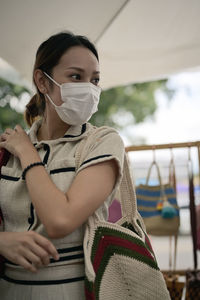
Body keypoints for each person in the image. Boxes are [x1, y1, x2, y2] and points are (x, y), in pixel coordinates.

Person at [0, 31, 124, 299]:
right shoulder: (7, 149)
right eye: (76, 76)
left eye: (95, 79)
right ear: (42, 82)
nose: (89, 88)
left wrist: (27, 153)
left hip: (75, 290)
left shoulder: (102, 141)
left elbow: (60, 220)